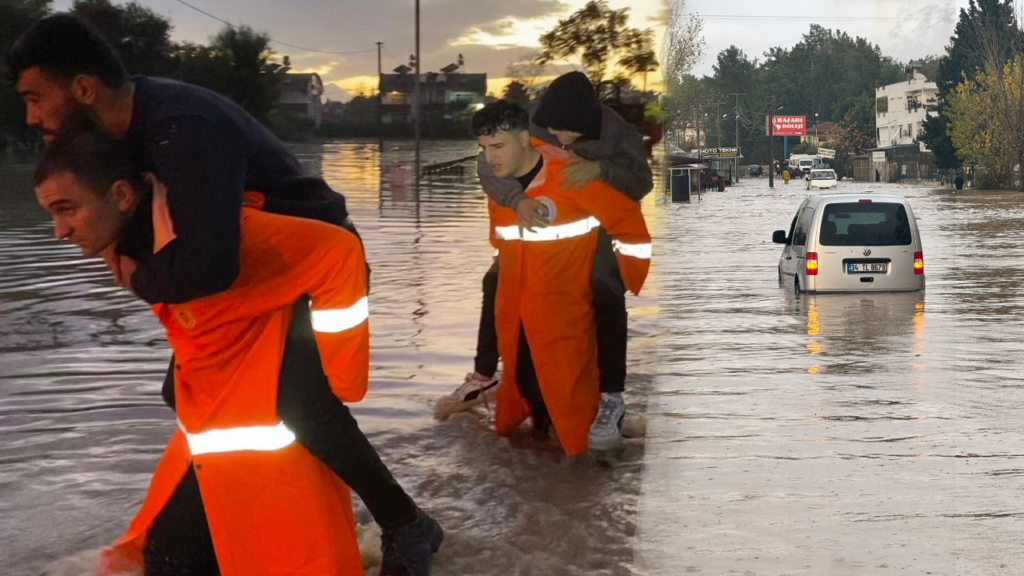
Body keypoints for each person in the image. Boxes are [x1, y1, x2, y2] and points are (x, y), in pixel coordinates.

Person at [9, 15, 441, 574]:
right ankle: (218, 522)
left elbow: (209, 266)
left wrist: (137, 275)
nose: (32, 116)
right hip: (250, 275)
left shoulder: (181, 129)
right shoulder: (125, 131)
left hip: (308, 266)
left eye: (35, 98)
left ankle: (406, 523)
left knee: (298, 399)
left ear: (83, 89)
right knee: (180, 388)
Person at [34, 133, 377, 575]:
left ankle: (403, 521)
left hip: (269, 441)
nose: (58, 232)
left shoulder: (218, 234)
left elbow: (340, 254)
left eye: (66, 210)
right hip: (218, 439)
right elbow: (196, 324)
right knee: (163, 559)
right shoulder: (127, 247)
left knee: (172, 561)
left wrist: (342, 376)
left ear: (121, 195)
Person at [437, 72, 652, 450]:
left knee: (605, 290)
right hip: (538, 220)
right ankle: (484, 375)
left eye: (570, 132)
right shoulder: (531, 123)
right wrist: (516, 200)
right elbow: (489, 165)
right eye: (554, 130)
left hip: (598, 220)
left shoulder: (619, 133)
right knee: (496, 282)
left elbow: (642, 181)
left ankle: (611, 397)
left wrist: (599, 169)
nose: (561, 138)